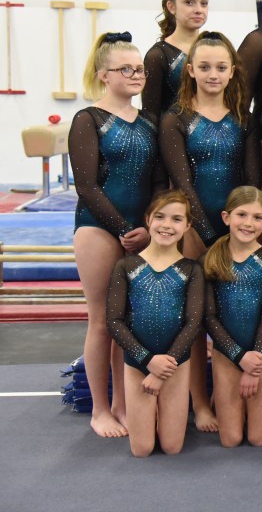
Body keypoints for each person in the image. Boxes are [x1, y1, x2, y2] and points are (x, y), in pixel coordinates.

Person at [160, 30, 258, 431]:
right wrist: (208, 233)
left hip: (238, 228)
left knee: (234, 312)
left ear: (232, 71)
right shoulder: (176, 119)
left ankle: (226, 392)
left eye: (220, 67)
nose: (213, 74)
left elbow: (250, 180)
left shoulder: (243, 118)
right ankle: (200, 402)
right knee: (196, 318)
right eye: (205, 67)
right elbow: (182, 183)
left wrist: (240, 230)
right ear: (191, 70)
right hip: (194, 229)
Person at [71, 32, 162, 438]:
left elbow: (157, 180)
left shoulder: (150, 122)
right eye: (126, 69)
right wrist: (125, 229)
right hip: (98, 227)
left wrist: (150, 226)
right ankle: (100, 409)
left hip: (140, 229)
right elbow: (87, 185)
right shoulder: (88, 119)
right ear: (103, 75)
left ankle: (124, 403)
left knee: (126, 322)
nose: (136, 74)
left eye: (139, 68)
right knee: (102, 322)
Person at [107, 190, 204, 457]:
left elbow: (193, 323)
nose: (167, 225)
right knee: (142, 449)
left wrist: (164, 368)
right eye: (160, 217)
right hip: (138, 364)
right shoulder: (126, 266)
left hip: (176, 364)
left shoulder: (191, 269)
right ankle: (150, 414)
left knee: (172, 447)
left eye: (176, 219)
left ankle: (162, 413)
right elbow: (114, 321)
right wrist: (147, 360)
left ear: (187, 225)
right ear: (148, 219)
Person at [203, 186, 262, 447]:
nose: (248, 223)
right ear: (226, 217)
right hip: (226, 353)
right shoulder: (210, 259)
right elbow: (209, 318)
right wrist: (239, 356)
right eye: (242, 215)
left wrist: (255, 361)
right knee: (231, 439)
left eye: (257, 217)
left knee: (259, 439)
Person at [142, 0, 209, 118]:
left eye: (204, 3)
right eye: (189, 2)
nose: (199, 9)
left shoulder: (215, 48)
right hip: (173, 130)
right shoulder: (158, 55)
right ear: (171, 7)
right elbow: (150, 115)